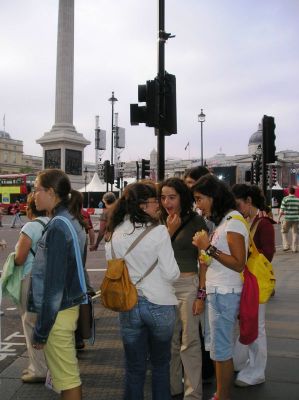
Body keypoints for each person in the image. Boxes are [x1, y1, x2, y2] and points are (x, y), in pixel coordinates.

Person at [105, 182, 180, 400]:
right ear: (141, 205)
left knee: (134, 368)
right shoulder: (158, 232)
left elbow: (113, 268)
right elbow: (172, 273)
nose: (159, 205)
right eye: (154, 201)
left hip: (129, 304)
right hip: (160, 304)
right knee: (160, 365)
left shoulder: (115, 233)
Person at [27, 169, 87, 399]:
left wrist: (41, 332)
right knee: (66, 375)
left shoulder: (57, 227)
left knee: (68, 378)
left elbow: (53, 289)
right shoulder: (71, 220)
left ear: (51, 192)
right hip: (67, 309)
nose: (34, 196)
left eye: (37, 189)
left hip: (58, 314)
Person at [191, 174, 249, 400]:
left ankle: (222, 395)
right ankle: (220, 393)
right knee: (217, 350)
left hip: (226, 293)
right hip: (219, 292)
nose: (198, 205)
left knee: (221, 350)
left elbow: (238, 263)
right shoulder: (225, 222)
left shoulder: (233, 222)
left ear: (213, 196)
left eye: (199, 199)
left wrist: (209, 248)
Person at [159, 177, 207, 400]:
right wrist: (168, 231)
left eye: (172, 197)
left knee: (190, 341)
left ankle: (193, 393)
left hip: (188, 285)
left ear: (182, 197)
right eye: (163, 197)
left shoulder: (197, 222)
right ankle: (172, 387)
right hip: (164, 286)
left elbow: (204, 260)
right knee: (169, 342)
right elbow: (154, 255)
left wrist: (201, 294)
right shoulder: (159, 221)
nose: (167, 202)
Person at [232, 184, 276, 387]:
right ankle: (248, 364)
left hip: (254, 282)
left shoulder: (262, 223)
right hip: (249, 281)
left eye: (238, 204)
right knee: (250, 323)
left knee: (256, 325)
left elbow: (268, 253)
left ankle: (257, 371)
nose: (237, 208)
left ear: (249, 201)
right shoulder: (251, 220)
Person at [13, 193, 49, 383]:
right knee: (48, 323)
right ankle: (51, 366)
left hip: (32, 278)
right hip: (50, 279)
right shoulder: (54, 223)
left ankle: (38, 369)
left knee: (30, 323)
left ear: (29, 209)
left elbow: (20, 258)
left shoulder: (30, 227)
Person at [278, 186, 299, 252]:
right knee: (295, 233)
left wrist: (278, 218)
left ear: (288, 192)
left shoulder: (285, 199)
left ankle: (286, 245)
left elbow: (281, 211)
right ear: (294, 192)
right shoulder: (298, 199)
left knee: (284, 232)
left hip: (287, 218)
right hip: (296, 219)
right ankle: (294, 248)